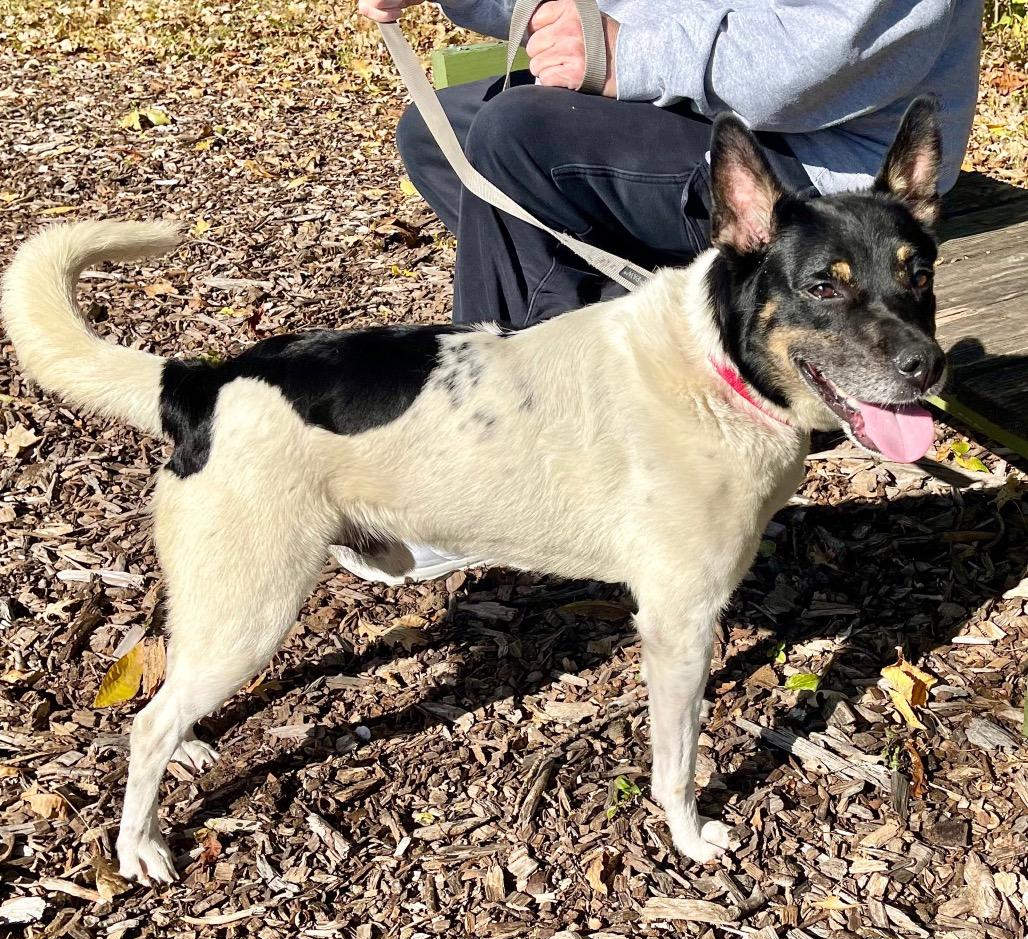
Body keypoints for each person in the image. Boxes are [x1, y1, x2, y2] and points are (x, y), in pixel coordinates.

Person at [342, 0, 982, 584]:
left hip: (830, 155)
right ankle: (609, 417)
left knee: (516, 136)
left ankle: (496, 465)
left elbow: (830, 48)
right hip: (701, 104)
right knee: (440, 133)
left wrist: (635, 53)